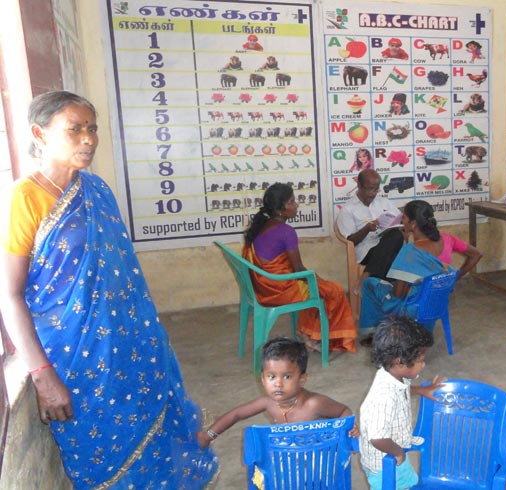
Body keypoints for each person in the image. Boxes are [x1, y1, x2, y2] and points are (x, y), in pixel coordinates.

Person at [0, 91, 218, 488]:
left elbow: (123, 276)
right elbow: (9, 295)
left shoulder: (96, 190)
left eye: (92, 128)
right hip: (73, 359)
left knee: (151, 438)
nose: (88, 139)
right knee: (98, 453)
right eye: (75, 129)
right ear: (39, 134)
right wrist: (42, 376)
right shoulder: (25, 197)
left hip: (129, 347)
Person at [244, 183, 357, 353]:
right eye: (291, 202)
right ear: (280, 209)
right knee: (334, 290)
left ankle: (307, 333)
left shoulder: (263, 225)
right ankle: (317, 337)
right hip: (278, 290)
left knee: (319, 286)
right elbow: (298, 270)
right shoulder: (285, 231)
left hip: (262, 287)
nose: (296, 205)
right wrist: (318, 279)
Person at [197, 338, 356, 447]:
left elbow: (344, 410)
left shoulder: (313, 404)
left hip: (319, 457)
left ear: (302, 379)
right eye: (271, 377)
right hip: (289, 456)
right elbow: (237, 414)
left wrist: (348, 430)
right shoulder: (268, 402)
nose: (278, 384)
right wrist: (208, 436)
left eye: (287, 377)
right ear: (263, 379)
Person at [359, 200, 482, 330]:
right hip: (435, 306)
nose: (401, 220)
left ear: (413, 224)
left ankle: (375, 331)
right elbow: (477, 254)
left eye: (404, 217)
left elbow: (398, 294)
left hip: (413, 311)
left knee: (370, 283)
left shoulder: (410, 251)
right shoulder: (447, 239)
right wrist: (454, 278)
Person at [359, 316, 445, 489]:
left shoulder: (392, 373)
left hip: (394, 450)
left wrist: (421, 390)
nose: (423, 365)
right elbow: (377, 438)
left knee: (408, 483)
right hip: (384, 464)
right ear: (399, 363)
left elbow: (401, 391)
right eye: (420, 361)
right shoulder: (383, 397)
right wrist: (398, 452)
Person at [336, 169, 405, 281]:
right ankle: (380, 281)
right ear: (359, 185)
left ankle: (369, 274)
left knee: (396, 235)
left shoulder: (384, 202)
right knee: (392, 252)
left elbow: (400, 220)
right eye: (369, 189)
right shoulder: (348, 210)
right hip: (366, 252)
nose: (372, 193)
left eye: (376, 190)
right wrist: (367, 228)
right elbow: (351, 241)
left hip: (386, 243)